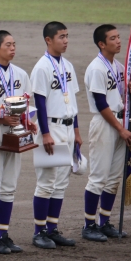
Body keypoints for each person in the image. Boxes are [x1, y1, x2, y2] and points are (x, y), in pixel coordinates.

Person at [0, 32, 35, 255]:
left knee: (9, 186)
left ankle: (3, 234)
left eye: (14, 44)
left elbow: (26, 105)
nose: (13, 48)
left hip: (16, 131)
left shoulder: (20, 74)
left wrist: (28, 122)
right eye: (8, 45)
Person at [82, 25, 131, 242]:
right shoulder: (96, 68)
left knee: (114, 178)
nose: (118, 41)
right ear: (102, 44)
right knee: (98, 178)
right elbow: (101, 103)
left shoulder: (118, 66)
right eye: (113, 38)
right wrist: (120, 128)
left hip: (119, 122)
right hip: (105, 124)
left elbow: (122, 94)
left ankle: (104, 222)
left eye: (118, 37)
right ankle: (89, 225)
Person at [30, 22, 82, 249]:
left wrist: (76, 132)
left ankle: (52, 229)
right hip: (51, 128)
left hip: (68, 128)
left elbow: (72, 101)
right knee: (46, 182)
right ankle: (39, 232)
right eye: (61, 36)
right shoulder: (41, 67)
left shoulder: (68, 65)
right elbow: (40, 103)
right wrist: (46, 133)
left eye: (67, 36)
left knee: (61, 182)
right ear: (48, 40)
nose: (66, 40)